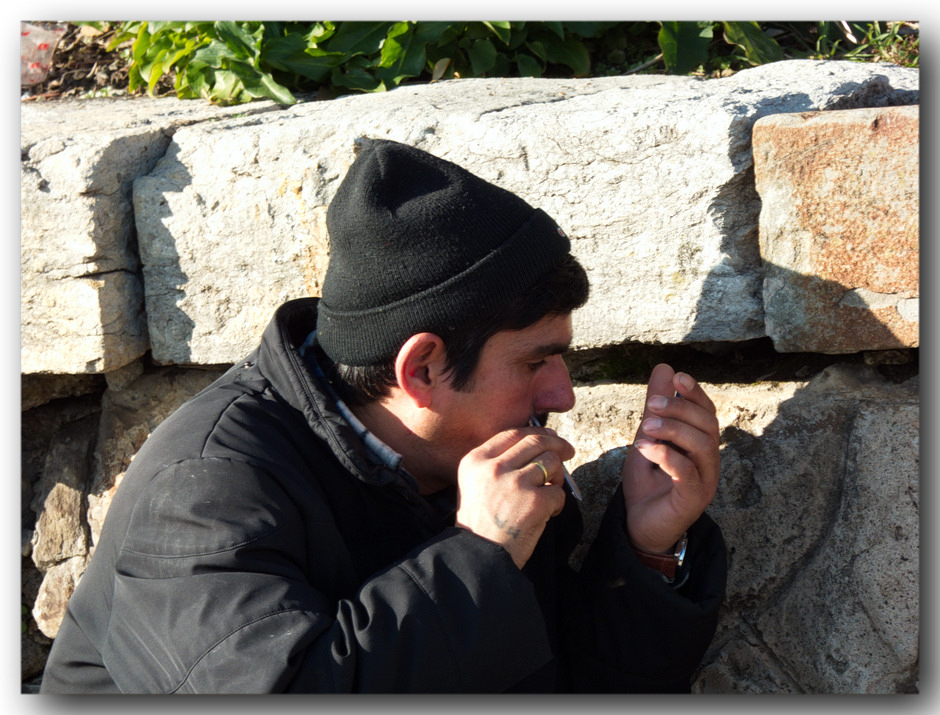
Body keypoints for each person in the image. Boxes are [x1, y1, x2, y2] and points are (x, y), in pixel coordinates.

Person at [41, 138, 726, 693]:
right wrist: (479, 558)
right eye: (533, 363)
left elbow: (569, 682)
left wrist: (646, 550)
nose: (562, 394)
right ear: (420, 368)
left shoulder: (482, 462)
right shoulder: (202, 493)